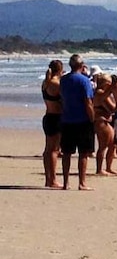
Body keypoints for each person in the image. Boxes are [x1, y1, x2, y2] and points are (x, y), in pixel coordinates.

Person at [59, 54, 95, 191]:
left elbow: (62, 97)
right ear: (81, 65)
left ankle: (66, 182)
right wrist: (92, 118)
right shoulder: (84, 81)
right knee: (83, 153)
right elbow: (88, 102)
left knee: (67, 153)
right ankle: (82, 182)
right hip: (82, 120)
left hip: (67, 118)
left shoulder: (64, 80)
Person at [41, 59, 64, 189]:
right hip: (56, 117)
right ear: (60, 70)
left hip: (48, 116)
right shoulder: (56, 84)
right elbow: (64, 100)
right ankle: (53, 179)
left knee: (48, 149)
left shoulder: (45, 82)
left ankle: (48, 178)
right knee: (54, 150)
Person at [92, 72, 117, 175]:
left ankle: (108, 167)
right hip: (102, 121)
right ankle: (99, 169)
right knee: (103, 146)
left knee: (112, 145)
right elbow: (112, 108)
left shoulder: (102, 93)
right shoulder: (100, 93)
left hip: (105, 120)